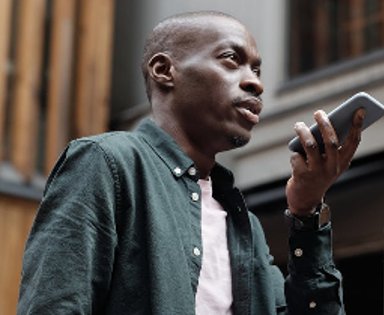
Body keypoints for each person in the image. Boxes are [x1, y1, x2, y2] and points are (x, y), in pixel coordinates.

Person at [17, 11, 364, 315]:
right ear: (164, 70)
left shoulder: (243, 225)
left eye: (257, 69)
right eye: (231, 59)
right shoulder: (106, 165)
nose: (255, 82)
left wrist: (306, 212)